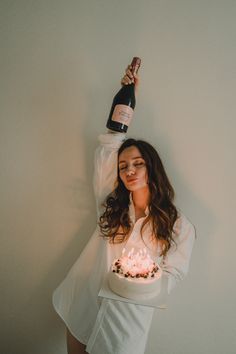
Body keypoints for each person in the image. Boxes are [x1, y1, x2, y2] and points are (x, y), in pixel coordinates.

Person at [52, 64, 196, 354]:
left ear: (152, 167)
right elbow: (108, 147)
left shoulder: (179, 225)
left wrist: (138, 282)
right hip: (85, 303)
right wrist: (126, 101)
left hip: (128, 318)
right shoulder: (112, 204)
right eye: (123, 166)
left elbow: (175, 274)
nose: (129, 170)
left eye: (138, 163)